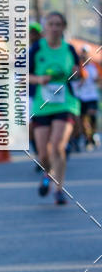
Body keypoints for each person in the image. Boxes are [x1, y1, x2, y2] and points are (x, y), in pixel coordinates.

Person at [29, 12, 82, 204]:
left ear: (63, 27)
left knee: (58, 145)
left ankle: (59, 189)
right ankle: (47, 174)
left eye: (58, 24)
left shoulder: (69, 49)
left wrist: (77, 73)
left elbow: (78, 73)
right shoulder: (37, 49)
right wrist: (39, 79)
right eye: (51, 24)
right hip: (42, 105)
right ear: (45, 27)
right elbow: (24, 75)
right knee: (43, 153)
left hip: (65, 103)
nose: (54, 27)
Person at [74, 46, 99, 150]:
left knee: (91, 116)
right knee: (83, 120)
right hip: (81, 96)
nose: (84, 55)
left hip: (92, 96)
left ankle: (92, 135)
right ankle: (87, 138)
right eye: (82, 53)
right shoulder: (78, 67)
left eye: (85, 53)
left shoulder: (94, 67)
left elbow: (99, 79)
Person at [28, 21, 43, 171]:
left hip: (47, 95)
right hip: (31, 95)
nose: (32, 35)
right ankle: (40, 155)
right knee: (32, 128)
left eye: (34, 32)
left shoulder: (45, 49)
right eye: (30, 32)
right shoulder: (26, 52)